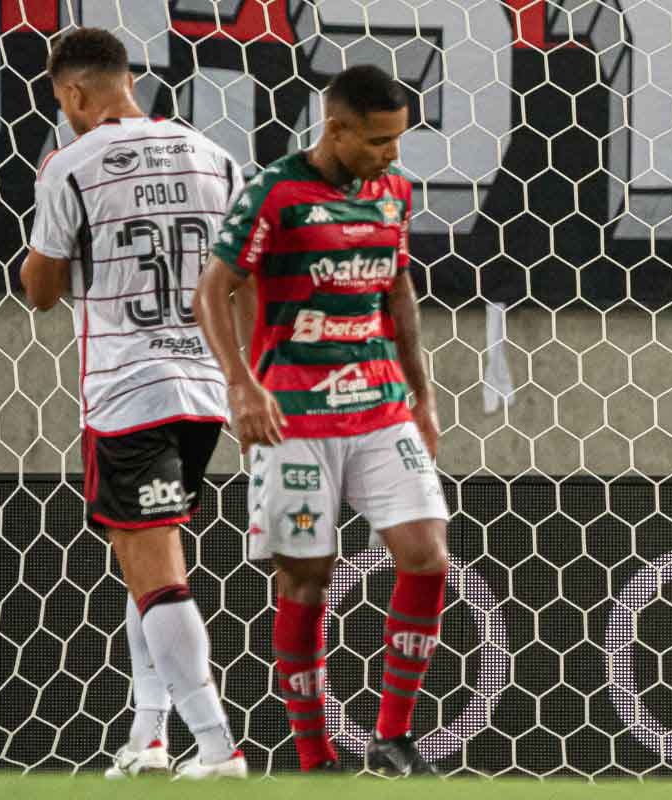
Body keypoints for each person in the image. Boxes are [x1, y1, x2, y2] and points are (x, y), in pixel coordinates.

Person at [193, 64, 449, 777]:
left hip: (378, 404)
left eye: (397, 139)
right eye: (377, 140)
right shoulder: (276, 189)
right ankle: (315, 760)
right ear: (334, 127)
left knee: (427, 553)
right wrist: (241, 388)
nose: (392, 154)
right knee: (308, 578)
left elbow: (397, 288)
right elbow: (213, 289)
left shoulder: (392, 191)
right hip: (294, 417)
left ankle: (392, 736)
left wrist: (422, 395)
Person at [20, 28, 249, 779]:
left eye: (61, 99)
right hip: (205, 389)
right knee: (146, 556)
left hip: (128, 392)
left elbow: (43, 291)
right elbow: (238, 275)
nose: (65, 110)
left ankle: (218, 747)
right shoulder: (214, 155)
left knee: (157, 575)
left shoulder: (72, 164)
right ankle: (150, 735)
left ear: (75, 93)